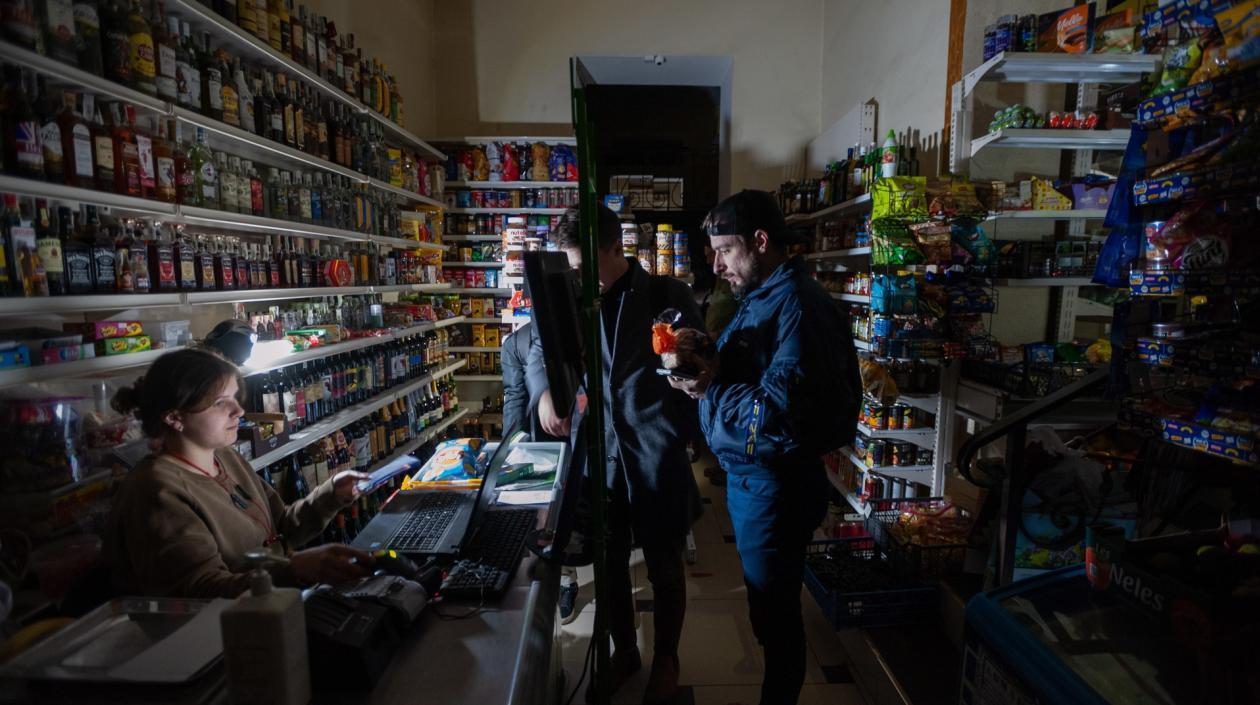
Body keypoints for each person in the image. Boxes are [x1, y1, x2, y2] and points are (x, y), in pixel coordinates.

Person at [669, 190, 861, 705]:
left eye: (726, 250)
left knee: (775, 618)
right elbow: (754, 365)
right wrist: (703, 350)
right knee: (766, 606)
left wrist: (709, 388)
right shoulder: (767, 294)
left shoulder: (798, 304)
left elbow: (778, 413)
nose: (717, 264)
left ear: (760, 241)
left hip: (775, 484)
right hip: (757, 479)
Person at [542, 205, 703, 703]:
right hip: (600, 454)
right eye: (568, 266)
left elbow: (700, 366)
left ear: (617, 249)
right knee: (609, 564)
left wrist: (689, 367)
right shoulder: (574, 298)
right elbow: (535, 348)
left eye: (583, 265)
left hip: (656, 455)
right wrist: (548, 391)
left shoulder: (666, 295)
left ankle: (667, 660)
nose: (575, 276)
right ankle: (623, 651)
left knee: (665, 564)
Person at [107, 348, 375, 598]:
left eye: (235, 398)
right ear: (175, 417)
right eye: (220, 403)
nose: (239, 411)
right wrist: (294, 568)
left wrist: (331, 495)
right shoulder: (156, 491)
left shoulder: (224, 456)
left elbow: (281, 528)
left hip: (271, 610)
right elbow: (199, 590)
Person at [499, 320, 582, 624]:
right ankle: (564, 579)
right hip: (543, 443)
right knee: (550, 515)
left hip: (583, 435)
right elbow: (514, 400)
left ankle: (568, 572)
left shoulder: (581, 333)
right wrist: (513, 448)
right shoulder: (515, 345)